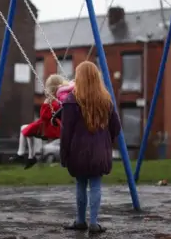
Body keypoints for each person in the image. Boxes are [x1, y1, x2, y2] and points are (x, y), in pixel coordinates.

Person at [60, 61, 120, 234]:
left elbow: (66, 133)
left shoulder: (71, 101)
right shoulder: (106, 100)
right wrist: (106, 141)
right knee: (95, 185)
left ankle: (80, 220)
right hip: (99, 152)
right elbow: (116, 127)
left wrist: (64, 155)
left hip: (77, 151)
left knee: (80, 184)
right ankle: (94, 223)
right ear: (96, 78)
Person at [12, 74, 72, 169]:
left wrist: (46, 104)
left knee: (25, 129)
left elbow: (44, 116)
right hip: (49, 126)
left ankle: (24, 154)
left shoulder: (52, 101)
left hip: (47, 128)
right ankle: (30, 156)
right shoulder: (60, 100)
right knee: (25, 130)